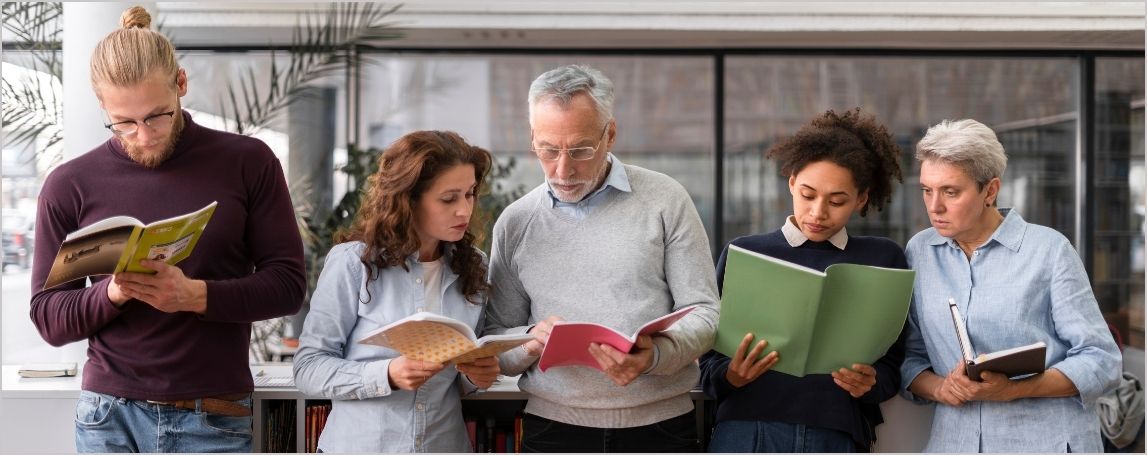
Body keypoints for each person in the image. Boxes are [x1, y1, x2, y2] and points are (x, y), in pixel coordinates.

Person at [28, 6, 306, 453]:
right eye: (123, 122)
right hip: (106, 419)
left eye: (157, 115)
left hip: (212, 414)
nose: (142, 135)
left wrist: (195, 296)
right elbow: (49, 318)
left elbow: (288, 286)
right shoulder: (70, 184)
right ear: (103, 105)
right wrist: (114, 293)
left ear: (181, 83)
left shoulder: (247, 162)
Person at [480, 64, 720, 453]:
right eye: (548, 149)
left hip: (659, 428)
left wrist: (655, 355)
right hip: (553, 429)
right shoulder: (516, 222)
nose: (562, 169)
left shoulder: (665, 199)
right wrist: (528, 342)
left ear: (610, 134)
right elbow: (495, 341)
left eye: (580, 150)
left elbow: (705, 312)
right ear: (533, 139)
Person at [899, 118, 1122, 452]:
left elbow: (1101, 360)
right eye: (927, 191)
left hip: (1044, 442)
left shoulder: (1049, 250)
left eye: (950, 192)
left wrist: (1014, 388)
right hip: (955, 443)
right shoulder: (920, 251)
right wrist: (941, 388)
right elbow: (910, 356)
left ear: (990, 190)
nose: (934, 207)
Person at [699, 109, 908, 452]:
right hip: (745, 430)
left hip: (834, 433)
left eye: (837, 201)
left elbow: (892, 365)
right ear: (791, 181)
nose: (818, 212)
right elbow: (707, 361)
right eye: (808, 194)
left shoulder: (883, 258)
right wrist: (731, 376)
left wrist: (870, 383)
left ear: (862, 199)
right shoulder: (745, 252)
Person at [293, 130, 501, 452]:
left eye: (470, 194)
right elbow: (308, 369)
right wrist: (386, 374)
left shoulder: (474, 266)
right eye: (449, 198)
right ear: (408, 200)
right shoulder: (354, 263)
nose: (464, 210)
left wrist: (477, 376)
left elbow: (459, 383)